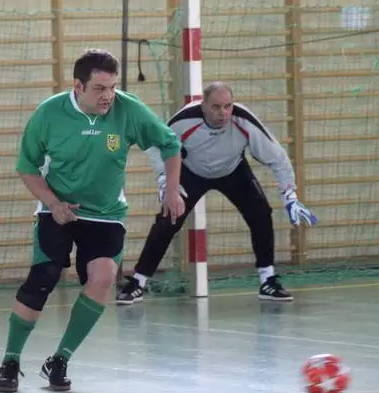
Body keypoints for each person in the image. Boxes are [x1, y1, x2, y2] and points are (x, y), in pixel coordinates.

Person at [0, 49, 185, 393]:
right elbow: (27, 166)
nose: (108, 95)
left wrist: (171, 190)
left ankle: (60, 360)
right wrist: (53, 203)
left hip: (106, 214)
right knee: (43, 278)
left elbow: (169, 144)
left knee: (103, 277)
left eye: (112, 87)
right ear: (78, 86)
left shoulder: (128, 110)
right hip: (58, 208)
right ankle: (10, 360)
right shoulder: (50, 113)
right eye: (99, 88)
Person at [116, 81, 318, 305]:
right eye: (216, 107)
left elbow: (277, 157)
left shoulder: (244, 121)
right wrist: (166, 181)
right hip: (190, 172)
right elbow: (157, 145)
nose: (223, 113)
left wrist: (290, 195)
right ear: (203, 105)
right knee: (168, 220)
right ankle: (137, 283)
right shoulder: (184, 120)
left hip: (233, 171)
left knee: (261, 214)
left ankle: (268, 281)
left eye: (228, 106)